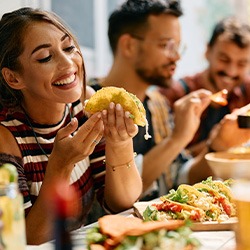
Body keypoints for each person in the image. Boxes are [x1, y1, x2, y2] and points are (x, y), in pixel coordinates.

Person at [0, 7, 142, 245]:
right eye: (45, 57)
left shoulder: (84, 104)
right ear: (14, 78)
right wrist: (60, 166)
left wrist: (120, 142)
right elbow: (28, 241)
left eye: (69, 48)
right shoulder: (6, 138)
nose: (68, 63)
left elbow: (122, 203)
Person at [88, 0, 212, 200]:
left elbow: (179, 177)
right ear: (129, 46)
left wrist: (217, 144)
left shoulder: (158, 104)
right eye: (166, 45)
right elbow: (115, 199)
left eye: (178, 47)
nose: (176, 57)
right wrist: (177, 139)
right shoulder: (90, 106)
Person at [161, 16, 250, 156]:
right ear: (208, 52)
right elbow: (169, 167)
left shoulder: (247, 90)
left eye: (241, 64)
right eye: (224, 59)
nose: (231, 71)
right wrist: (217, 142)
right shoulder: (175, 94)